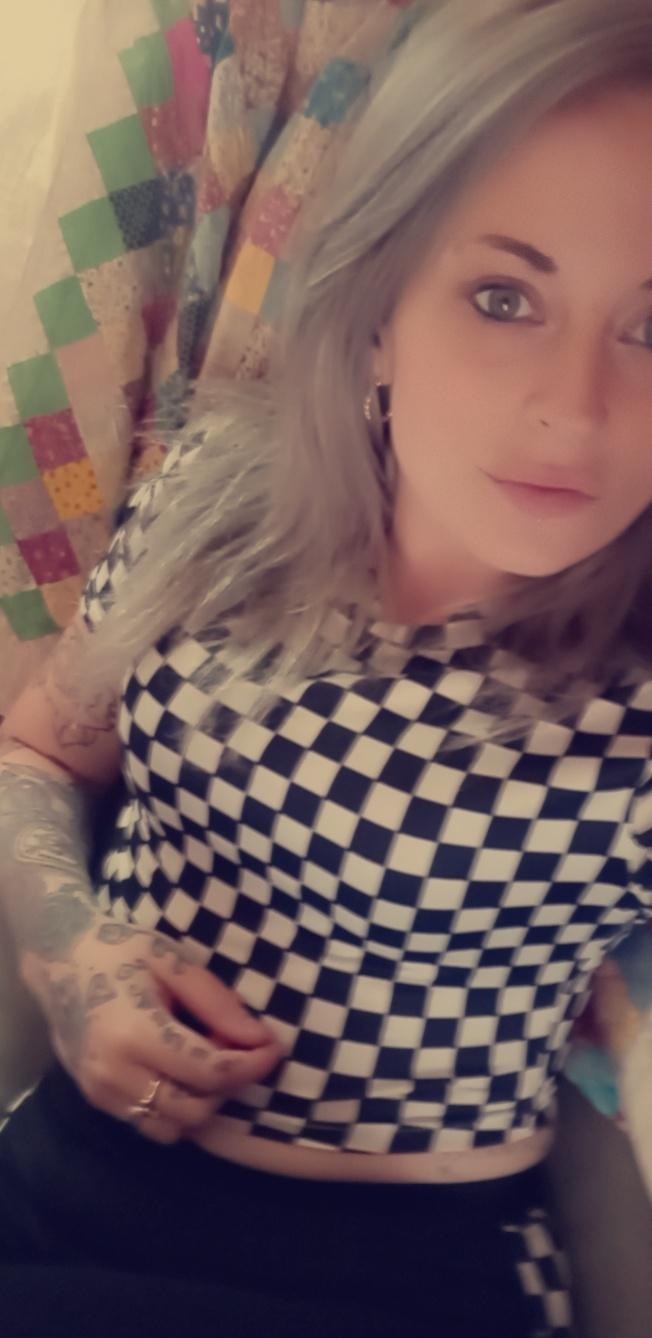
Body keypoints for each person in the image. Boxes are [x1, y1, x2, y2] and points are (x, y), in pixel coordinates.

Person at [1, 0, 652, 1332]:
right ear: (377, 309)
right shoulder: (214, 496)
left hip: (410, 1274)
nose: (575, 410)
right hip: (59, 1182)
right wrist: (72, 954)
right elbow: (39, 750)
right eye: (503, 297)